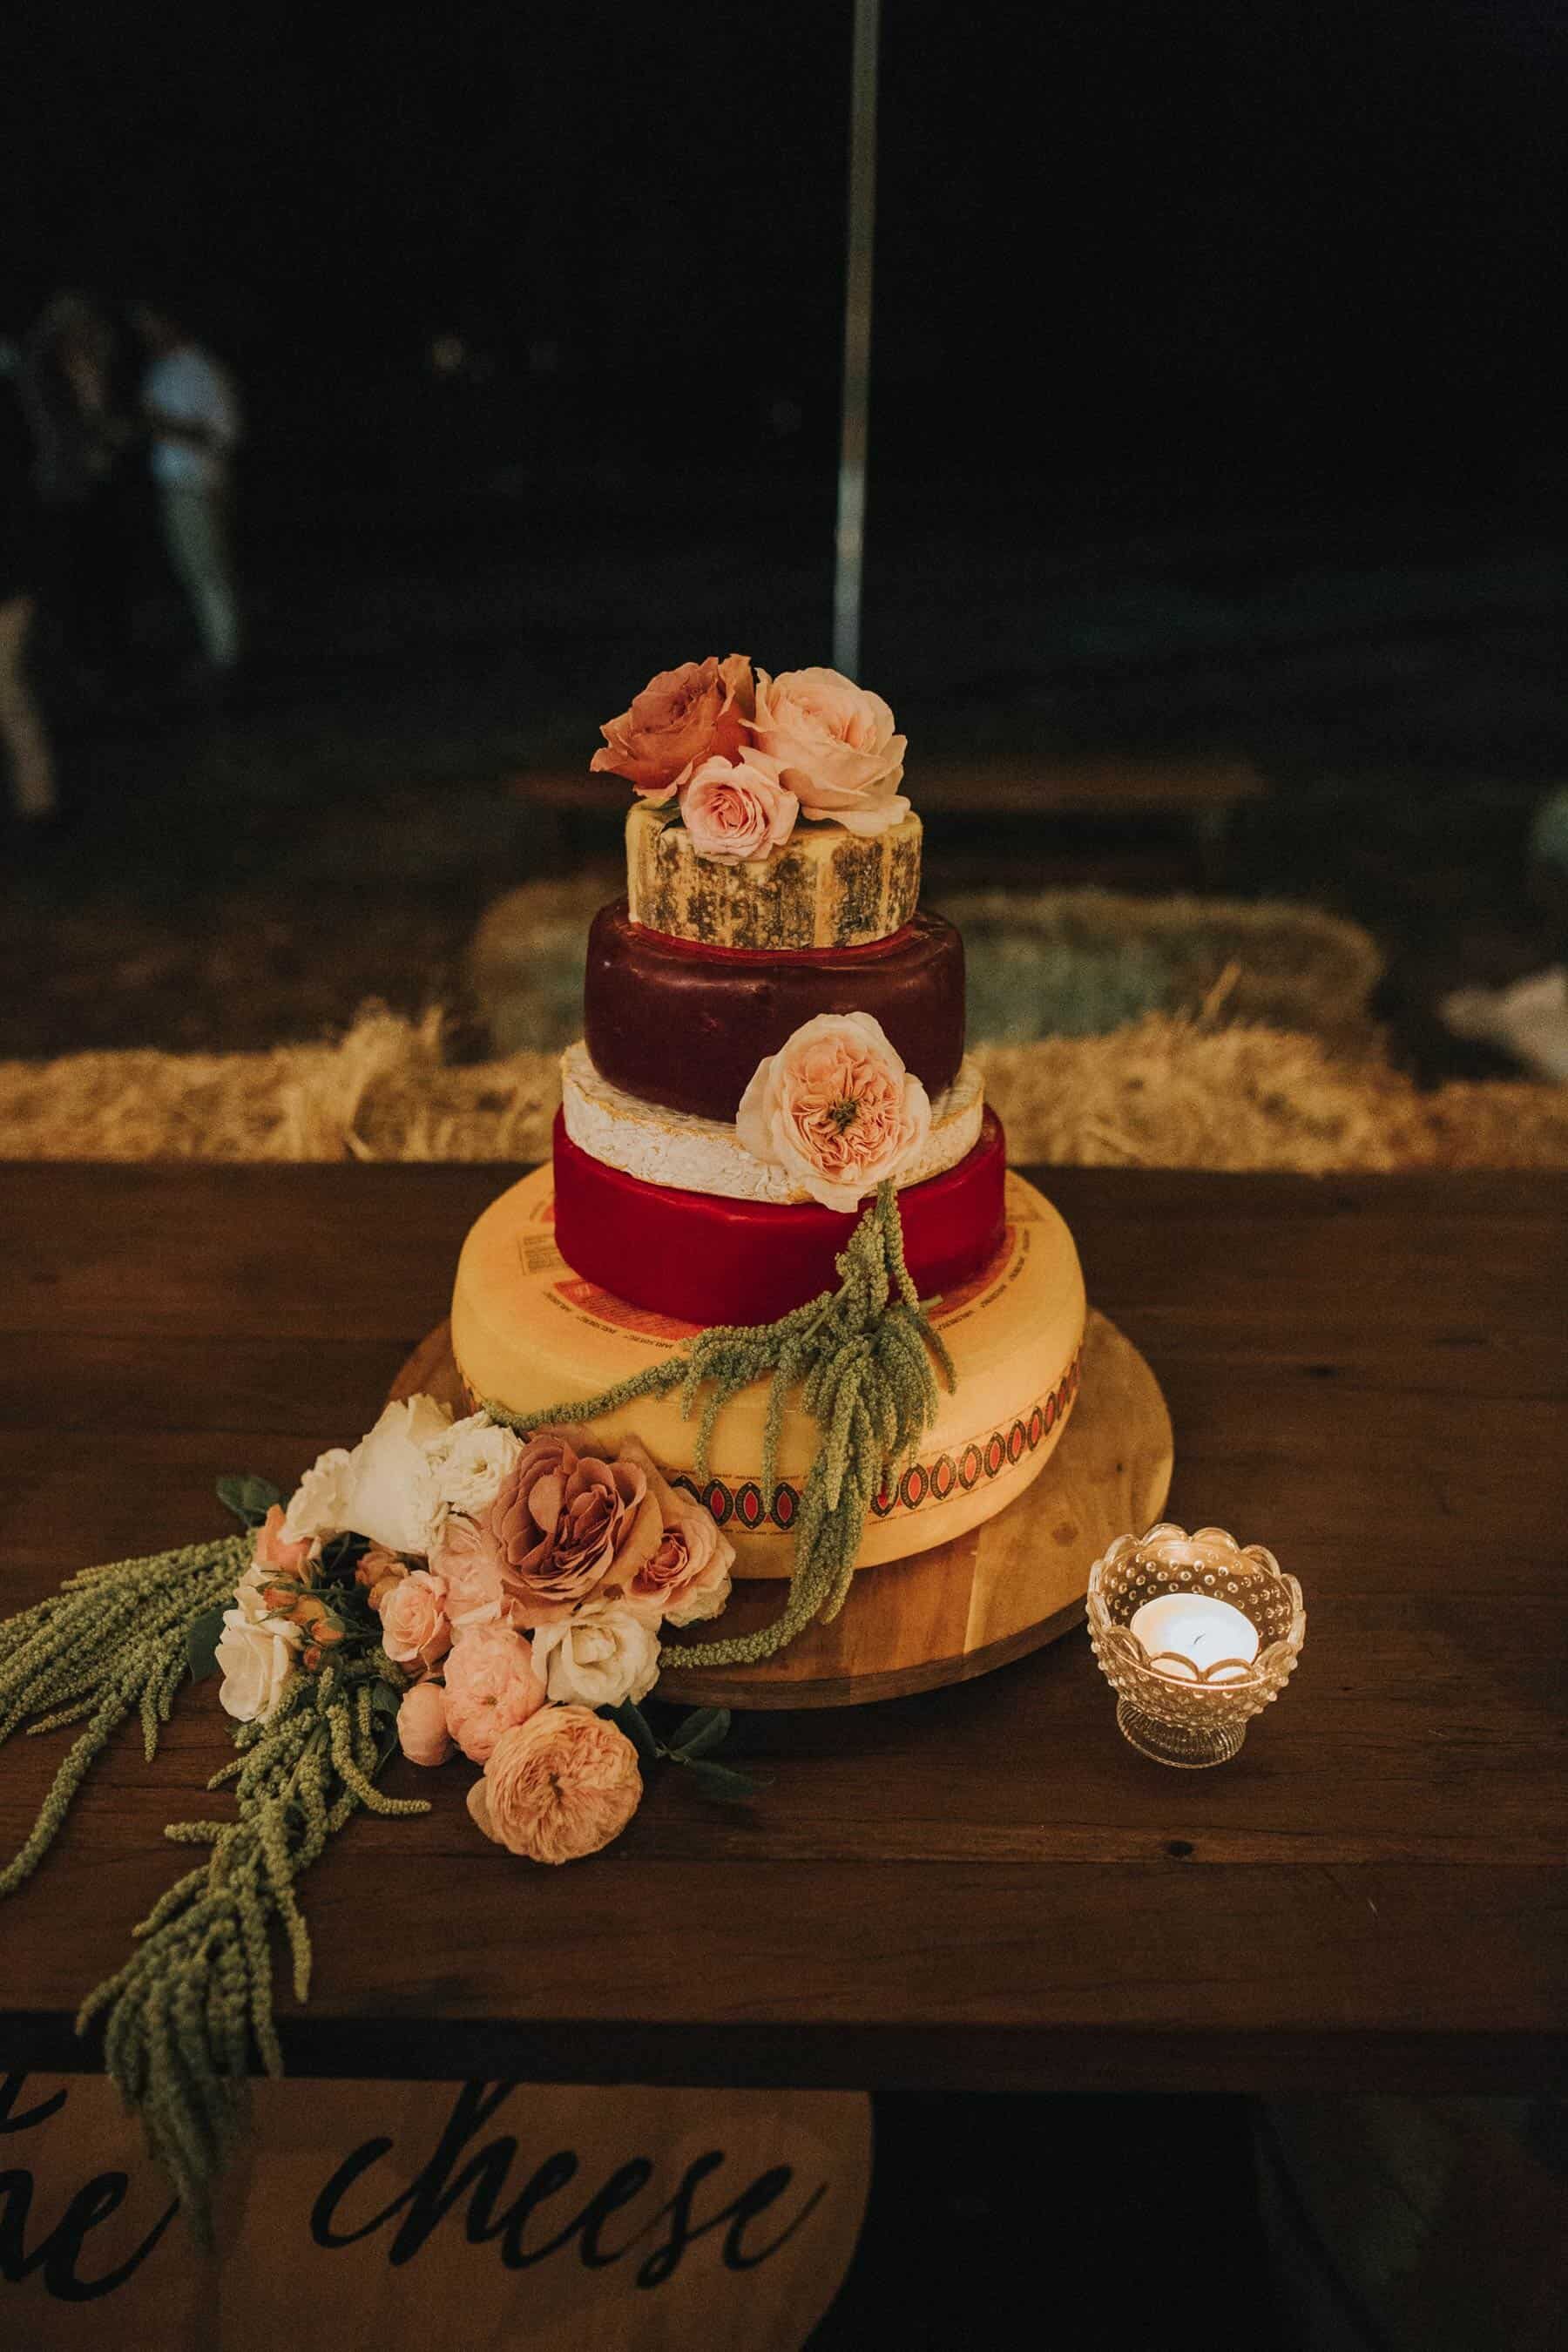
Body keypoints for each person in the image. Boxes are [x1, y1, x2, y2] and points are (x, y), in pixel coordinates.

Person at [17, 290, 131, 700]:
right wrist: (97, 420)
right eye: (75, 327)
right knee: (73, 575)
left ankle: (112, 656)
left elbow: (115, 425)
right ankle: (82, 660)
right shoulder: (43, 373)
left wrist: (103, 412)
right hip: (65, 488)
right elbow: (57, 432)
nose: (84, 334)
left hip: (103, 485)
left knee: (109, 572)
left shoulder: (98, 368)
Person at [134, 299, 241, 685]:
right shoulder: (158, 371)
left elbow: (223, 436)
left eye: (150, 325)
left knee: (209, 570)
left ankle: (225, 658)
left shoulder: (204, 370)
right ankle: (212, 648)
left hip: (199, 484)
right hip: (170, 484)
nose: (145, 335)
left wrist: (168, 425)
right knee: (191, 570)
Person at [0, 345, 58, 823]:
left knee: (7, 688)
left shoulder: (13, 434)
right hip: (16, 575)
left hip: (10, 581)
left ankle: (40, 802)